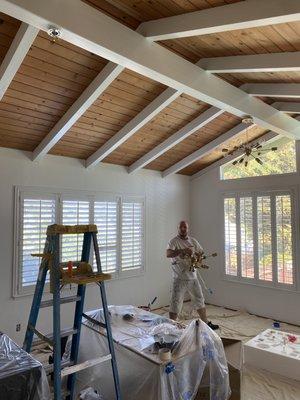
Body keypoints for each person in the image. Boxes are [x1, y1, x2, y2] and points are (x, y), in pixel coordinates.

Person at [166, 220, 219, 330]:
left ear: (187, 228)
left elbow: (201, 252)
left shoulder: (193, 241)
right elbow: (168, 254)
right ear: (178, 228)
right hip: (179, 278)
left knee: (199, 299)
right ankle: (171, 325)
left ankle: (205, 323)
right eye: (181, 227)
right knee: (175, 302)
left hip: (192, 277)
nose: (183, 229)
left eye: (185, 227)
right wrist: (182, 251)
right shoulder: (173, 242)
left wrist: (196, 257)